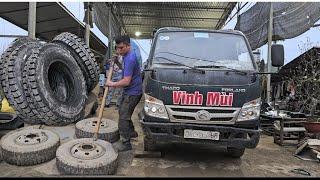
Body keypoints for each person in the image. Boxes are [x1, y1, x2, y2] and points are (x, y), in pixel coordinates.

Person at [106, 35, 143, 152]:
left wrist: (111, 83)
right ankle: (131, 133)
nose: (118, 51)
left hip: (133, 92)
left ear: (128, 46)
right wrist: (116, 62)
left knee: (123, 117)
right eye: (117, 48)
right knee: (124, 112)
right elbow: (125, 70)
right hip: (130, 91)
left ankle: (126, 143)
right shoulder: (126, 56)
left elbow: (126, 81)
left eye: (121, 48)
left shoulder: (131, 58)